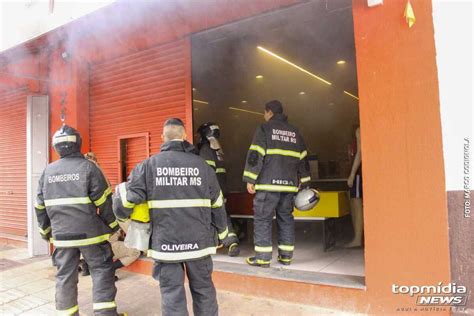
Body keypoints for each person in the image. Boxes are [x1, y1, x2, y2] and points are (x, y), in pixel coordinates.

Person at [113, 118, 233, 316]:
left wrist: (123, 217)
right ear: (184, 136)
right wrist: (223, 233)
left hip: (166, 246)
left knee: (172, 295)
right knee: (204, 290)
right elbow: (218, 205)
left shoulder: (148, 166)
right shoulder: (203, 167)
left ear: (163, 138)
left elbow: (123, 203)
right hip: (199, 244)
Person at [34, 125, 122, 316]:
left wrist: (46, 232)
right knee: (101, 271)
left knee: (65, 276)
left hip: (61, 236)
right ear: (78, 143)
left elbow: (40, 207)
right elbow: (105, 202)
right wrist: (114, 226)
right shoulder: (89, 168)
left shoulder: (47, 172)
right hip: (91, 235)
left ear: (56, 147)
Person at [243, 100, 311, 267]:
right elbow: (303, 158)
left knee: (262, 219)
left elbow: (255, 154)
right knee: (286, 218)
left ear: (270, 112)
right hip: (288, 185)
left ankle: (262, 257)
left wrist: (250, 179)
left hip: (268, 185)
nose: (263, 116)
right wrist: (305, 180)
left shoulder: (264, 129)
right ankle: (286, 256)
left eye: (264, 113)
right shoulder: (295, 132)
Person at [197, 122, 240, 257]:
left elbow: (206, 172)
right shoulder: (218, 150)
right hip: (222, 188)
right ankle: (231, 242)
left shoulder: (205, 149)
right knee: (223, 215)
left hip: (211, 189)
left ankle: (208, 244)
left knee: (206, 216)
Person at [345, 126, 364, 248]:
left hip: (358, 173)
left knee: (356, 205)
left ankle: (357, 239)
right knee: (353, 203)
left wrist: (352, 174)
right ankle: (357, 237)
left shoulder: (359, 130)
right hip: (357, 172)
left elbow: (360, 153)